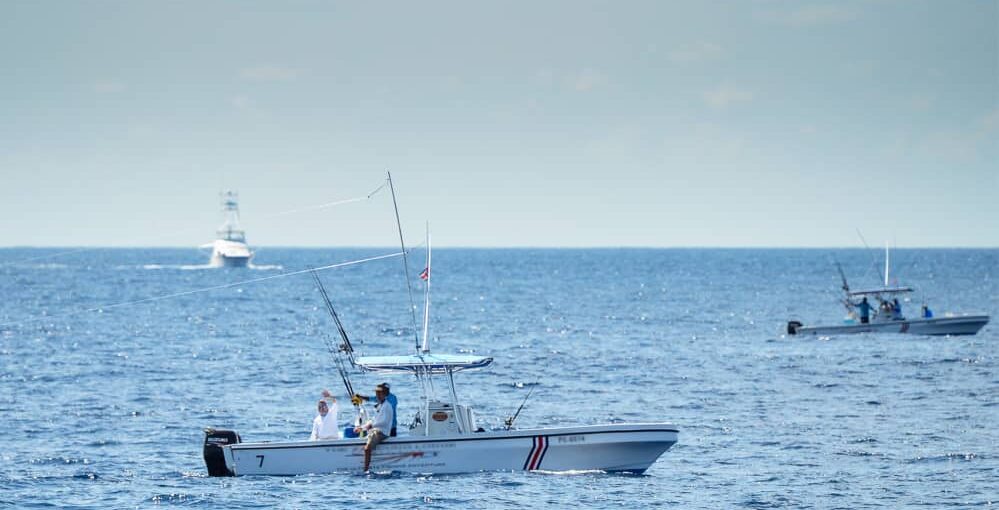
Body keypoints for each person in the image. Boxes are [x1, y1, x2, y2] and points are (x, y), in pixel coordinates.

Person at [354, 384, 394, 472]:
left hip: (382, 432)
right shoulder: (380, 405)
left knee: (367, 448)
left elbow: (384, 422)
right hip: (376, 430)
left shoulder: (387, 406)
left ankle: (366, 470)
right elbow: (373, 420)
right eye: (377, 393)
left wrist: (370, 426)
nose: (378, 395)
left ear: (385, 394)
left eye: (380, 393)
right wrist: (362, 427)